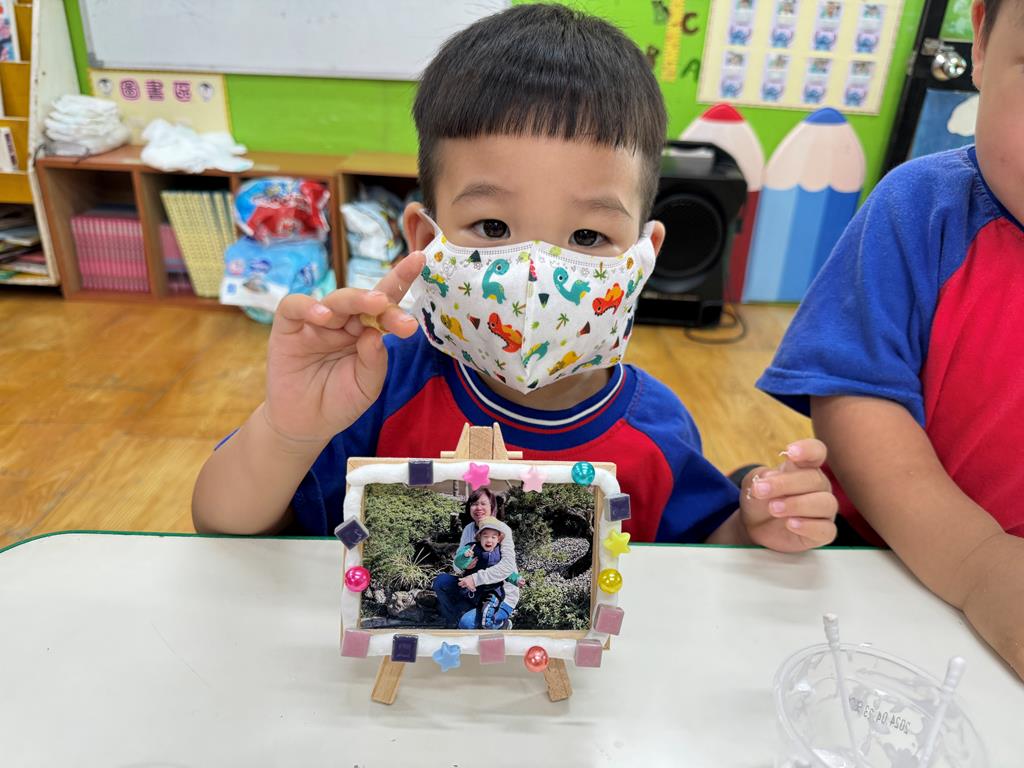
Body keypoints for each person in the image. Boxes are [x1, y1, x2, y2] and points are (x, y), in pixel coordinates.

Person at [192, 4, 837, 554]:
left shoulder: (657, 433)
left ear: (644, 258)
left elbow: (703, 555)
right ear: (424, 241)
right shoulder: (374, 390)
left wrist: (759, 524)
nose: (534, 277)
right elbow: (222, 526)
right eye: (493, 227)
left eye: (588, 237)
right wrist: (288, 430)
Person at [756, 0, 1024, 678]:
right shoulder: (923, 210)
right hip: (873, 574)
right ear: (982, 43)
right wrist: (980, 564)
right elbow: (854, 398)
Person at [434, 516, 521, 630]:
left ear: (498, 539)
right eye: (485, 536)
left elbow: (507, 573)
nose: (489, 540)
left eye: (493, 537)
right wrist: (465, 558)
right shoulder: (473, 548)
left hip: (490, 594)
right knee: (441, 581)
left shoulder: (500, 553)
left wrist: (517, 579)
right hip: (471, 593)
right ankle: (453, 621)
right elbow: (458, 562)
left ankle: (500, 624)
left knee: (474, 620)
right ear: (479, 537)